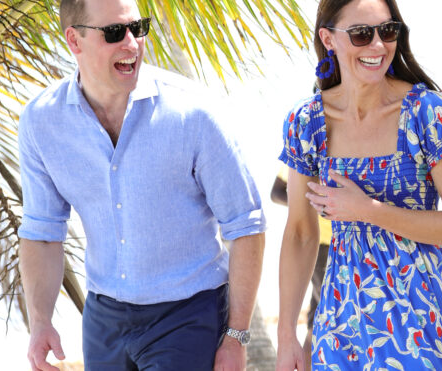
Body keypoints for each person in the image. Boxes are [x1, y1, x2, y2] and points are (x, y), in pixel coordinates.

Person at [17, 0, 266, 370]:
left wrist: (237, 335)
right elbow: (42, 232)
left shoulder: (192, 113)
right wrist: (40, 322)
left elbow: (246, 225)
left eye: (139, 27)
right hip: (103, 320)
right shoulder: (42, 123)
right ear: (74, 40)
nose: (132, 43)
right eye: (115, 33)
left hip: (189, 315)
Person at [275, 0, 442, 370]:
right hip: (341, 327)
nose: (378, 46)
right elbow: (300, 234)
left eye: (388, 31)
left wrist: (368, 211)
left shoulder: (428, 113)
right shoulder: (307, 123)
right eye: (361, 34)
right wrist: (287, 333)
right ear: (329, 39)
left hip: (424, 323)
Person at [271, 165, 330, 371]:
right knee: (320, 321)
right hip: (321, 245)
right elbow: (276, 192)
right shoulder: (307, 147)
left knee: (318, 318)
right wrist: (315, 205)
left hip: (349, 245)